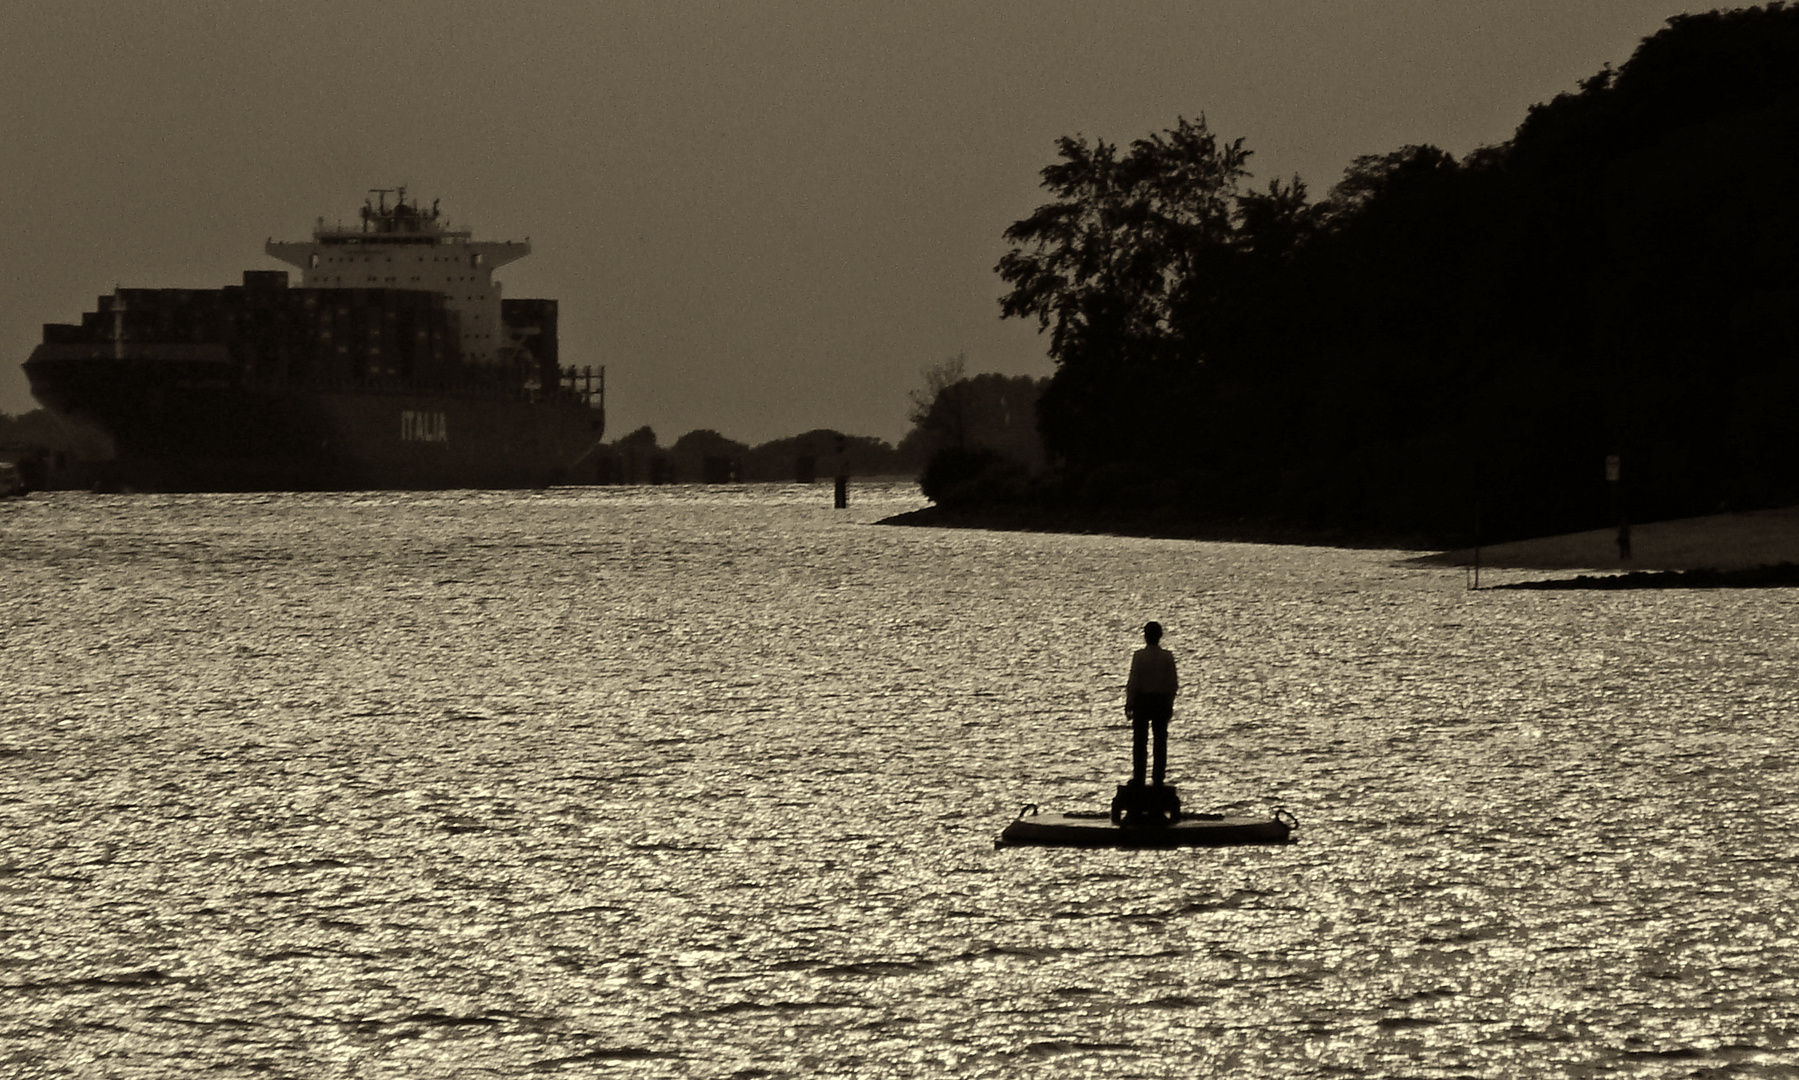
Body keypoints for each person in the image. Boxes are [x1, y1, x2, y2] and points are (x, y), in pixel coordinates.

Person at [1124, 621, 1178, 786]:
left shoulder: (1139, 656)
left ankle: (1139, 777)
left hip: (1142, 701)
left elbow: (1133, 681)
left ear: (1145, 636)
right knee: (1160, 741)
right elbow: (1172, 683)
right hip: (1160, 701)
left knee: (1140, 742)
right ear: (1160, 636)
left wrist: (1129, 702)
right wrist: (1169, 703)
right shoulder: (1167, 657)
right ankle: (1158, 778)